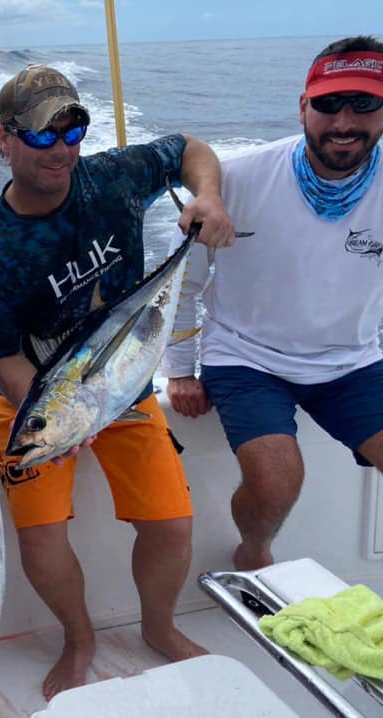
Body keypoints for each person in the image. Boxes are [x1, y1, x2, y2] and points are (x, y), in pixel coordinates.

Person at [0, 65, 236, 700]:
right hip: (35, 398)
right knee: (41, 534)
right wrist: (62, 417)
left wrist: (209, 198)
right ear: (3, 140)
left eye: (72, 129)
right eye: (39, 135)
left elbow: (191, 151)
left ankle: (160, 628)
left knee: (171, 525)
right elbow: (2, 357)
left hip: (128, 380)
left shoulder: (111, 177)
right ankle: (79, 636)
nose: (60, 149)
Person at [165, 35, 383, 573]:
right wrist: (178, 371)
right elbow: (182, 282)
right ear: (303, 106)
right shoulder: (237, 179)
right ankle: (254, 550)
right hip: (246, 355)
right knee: (276, 480)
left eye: (365, 104)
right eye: (329, 104)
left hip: (352, 359)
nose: (344, 121)